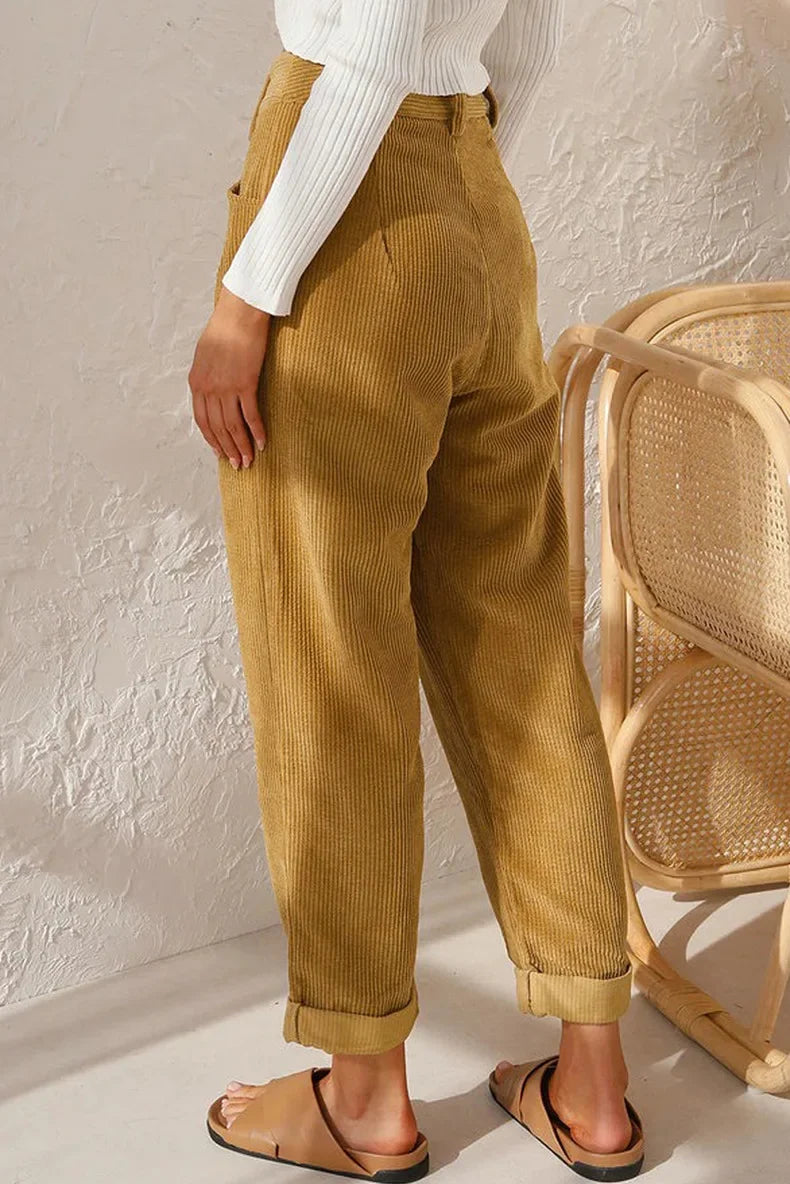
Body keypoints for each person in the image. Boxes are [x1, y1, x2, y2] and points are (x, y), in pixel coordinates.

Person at [188, 1, 645, 1179]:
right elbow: (528, 39)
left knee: (330, 654)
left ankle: (364, 1099)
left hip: (345, 203)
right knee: (520, 646)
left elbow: (378, 41)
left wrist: (246, 298)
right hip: (477, 197)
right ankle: (593, 1086)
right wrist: (453, 179)